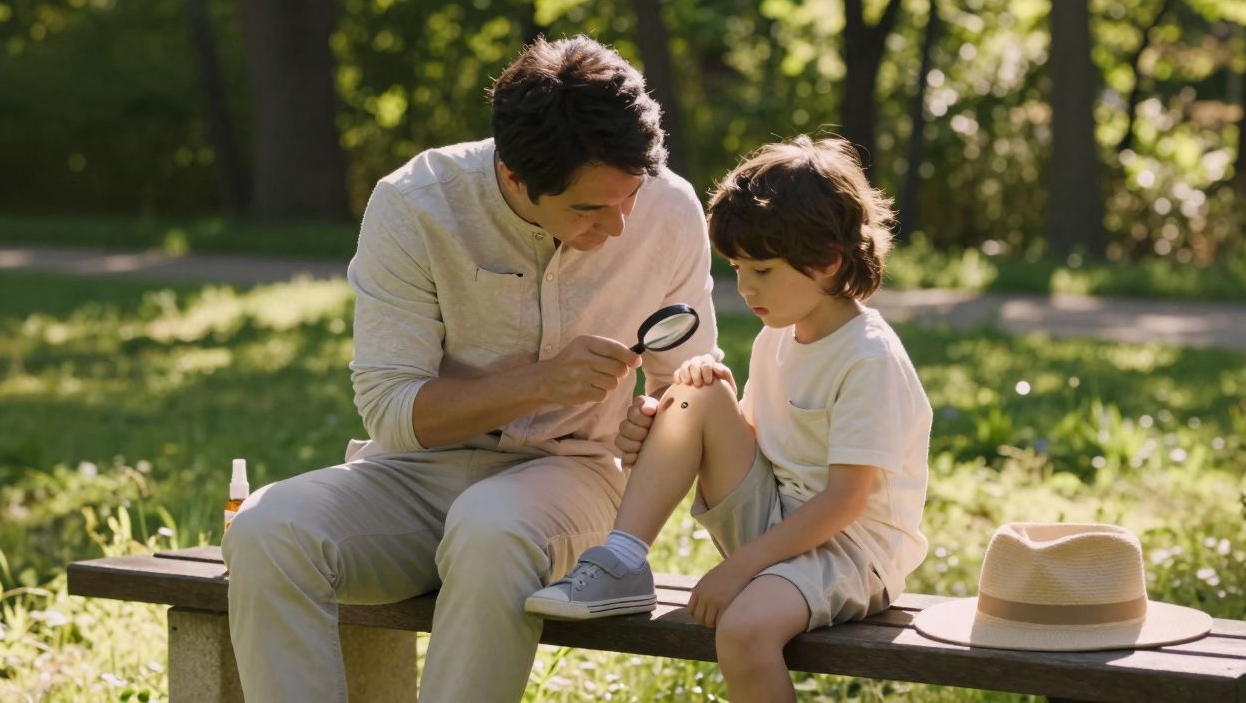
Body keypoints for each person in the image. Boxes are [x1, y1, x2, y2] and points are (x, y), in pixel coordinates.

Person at [221, 35, 721, 703]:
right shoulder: (415, 204)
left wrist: (658, 417)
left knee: (491, 530)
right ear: (514, 176)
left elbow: (688, 385)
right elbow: (392, 411)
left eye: (630, 195)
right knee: (265, 530)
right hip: (412, 474)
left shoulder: (671, 210)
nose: (622, 226)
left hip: (571, 476)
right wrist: (542, 382)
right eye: (589, 209)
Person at [527, 135, 932, 703]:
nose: (745, 287)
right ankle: (621, 558)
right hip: (778, 524)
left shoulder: (868, 357)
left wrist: (740, 567)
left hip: (847, 551)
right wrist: (675, 421)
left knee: (742, 630)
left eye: (762, 269)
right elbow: (758, 444)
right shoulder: (777, 338)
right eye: (738, 268)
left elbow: (846, 500)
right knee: (697, 387)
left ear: (828, 261)